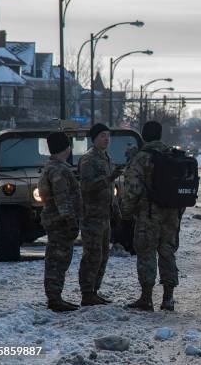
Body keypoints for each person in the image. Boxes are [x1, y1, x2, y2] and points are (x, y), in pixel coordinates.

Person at [122, 121, 181, 312]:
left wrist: (126, 213)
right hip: (171, 214)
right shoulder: (172, 155)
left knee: (146, 253)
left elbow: (133, 189)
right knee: (167, 252)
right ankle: (168, 298)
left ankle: (146, 298)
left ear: (144, 136)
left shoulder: (141, 158)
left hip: (148, 214)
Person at [78, 123, 123, 306]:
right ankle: (87, 292)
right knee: (92, 254)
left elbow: (110, 189)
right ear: (94, 138)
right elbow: (87, 187)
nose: (106, 139)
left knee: (103, 254)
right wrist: (109, 177)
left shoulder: (107, 158)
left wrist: (116, 209)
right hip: (92, 215)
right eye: (102, 135)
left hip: (105, 215)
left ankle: (94, 290)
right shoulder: (89, 159)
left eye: (108, 136)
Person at [38, 132, 82, 312]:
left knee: (56, 258)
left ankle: (55, 296)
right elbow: (62, 198)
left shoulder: (51, 167)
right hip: (60, 222)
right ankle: (55, 299)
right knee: (58, 260)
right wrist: (70, 221)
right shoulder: (59, 170)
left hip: (55, 220)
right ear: (66, 148)